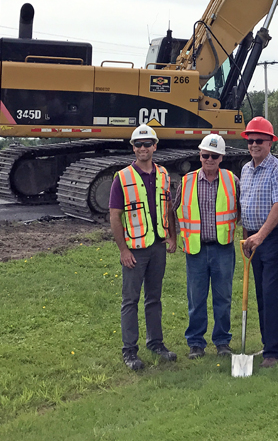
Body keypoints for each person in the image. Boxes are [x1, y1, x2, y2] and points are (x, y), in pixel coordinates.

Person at [108, 124, 177, 371]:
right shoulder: (122, 177)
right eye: (138, 144)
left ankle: (156, 343)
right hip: (135, 250)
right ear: (133, 148)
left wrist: (172, 237)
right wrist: (123, 250)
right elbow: (115, 216)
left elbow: (168, 207)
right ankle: (129, 351)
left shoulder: (163, 174)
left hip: (157, 246)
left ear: (155, 146)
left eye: (147, 144)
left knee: (154, 298)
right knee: (130, 300)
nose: (143, 148)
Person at [175, 134, 239, 359]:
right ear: (199, 156)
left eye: (214, 156)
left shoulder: (232, 180)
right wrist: (173, 238)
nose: (209, 159)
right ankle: (196, 343)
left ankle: (222, 342)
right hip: (196, 250)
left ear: (221, 158)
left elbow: (242, 208)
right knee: (196, 299)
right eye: (205, 155)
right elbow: (173, 210)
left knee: (223, 298)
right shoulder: (187, 181)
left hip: (223, 248)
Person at [239, 117, 278, 368]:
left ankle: (273, 351)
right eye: (250, 141)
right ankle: (267, 343)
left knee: (270, 292)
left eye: (259, 140)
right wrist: (248, 235)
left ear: (270, 142)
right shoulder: (246, 169)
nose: (254, 145)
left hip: (272, 237)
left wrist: (260, 235)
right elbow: (245, 203)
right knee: (260, 292)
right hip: (252, 237)